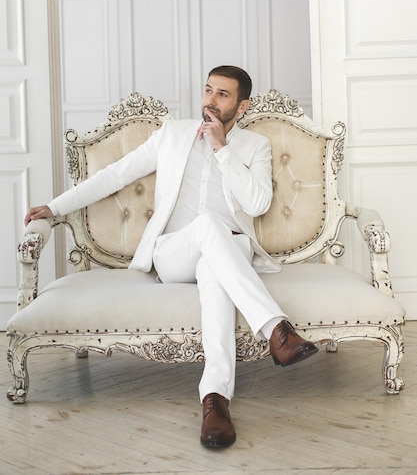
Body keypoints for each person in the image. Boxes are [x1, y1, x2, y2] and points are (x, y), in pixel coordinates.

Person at [25, 65, 318, 449]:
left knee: (216, 268)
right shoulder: (173, 135)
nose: (210, 100)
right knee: (209, 225)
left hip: (230, 254)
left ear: (242, 105)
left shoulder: (254, 146)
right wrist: (55, 206)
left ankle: (215, 401)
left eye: (223, 94)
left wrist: (222, 150)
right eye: (208, 90)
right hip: (174, 253)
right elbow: (114, 174)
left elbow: (258, 203)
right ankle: (276, 330)